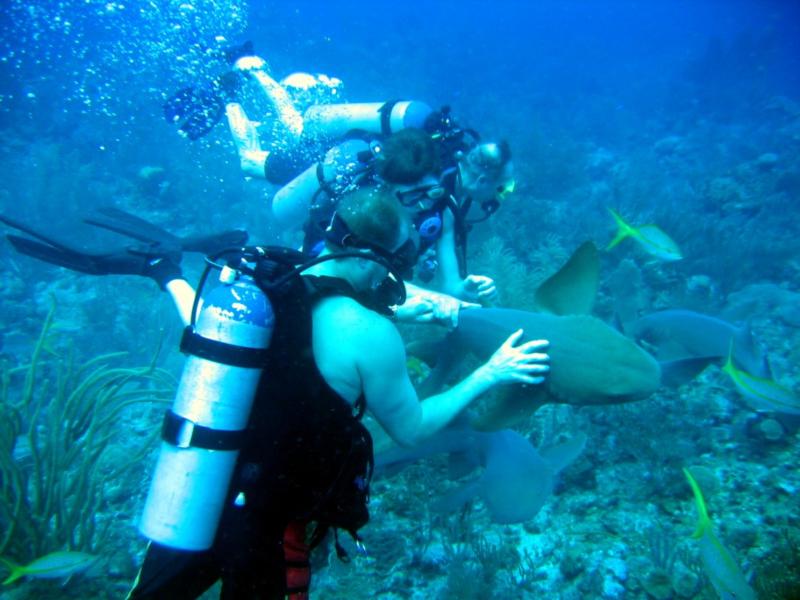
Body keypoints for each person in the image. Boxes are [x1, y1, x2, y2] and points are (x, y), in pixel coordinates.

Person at [1, 187, 550, 599]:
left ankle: (158, 264)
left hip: (198, 489)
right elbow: (410, 427)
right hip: (267, 523)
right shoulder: (370, 332)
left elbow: (202, 322)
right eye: (401, 261)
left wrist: (168, 274)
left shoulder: (268, 287)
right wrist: (490, 374)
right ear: (374, 259)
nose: (402, 276)